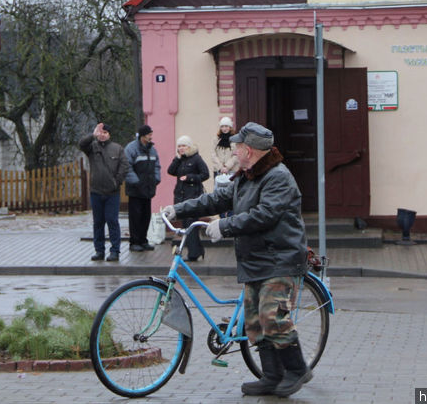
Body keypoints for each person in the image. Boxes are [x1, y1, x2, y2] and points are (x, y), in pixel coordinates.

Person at [163, 122, 311, 397]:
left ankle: (297, 369)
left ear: (249, 150)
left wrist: (225, 226)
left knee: (272, 317)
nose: (234, 150)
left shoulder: (277, 177)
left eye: (238, 146)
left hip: (279, 257)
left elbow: (265, 214)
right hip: (256, 258)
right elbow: (217, 199)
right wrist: (179, 209)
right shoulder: (247, 175)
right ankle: (271, 376)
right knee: (254, 322)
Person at [79, 123, 128, 262]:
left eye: (105, 132)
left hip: (112, 193)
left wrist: (116, 182)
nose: (102, 134)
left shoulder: (117, 149)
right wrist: (92, 135)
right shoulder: (92, 147)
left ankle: (115, 251)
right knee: (98, 223)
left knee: (112, 222)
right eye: (100, 132)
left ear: (109, 134)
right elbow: (81, 144)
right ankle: (99, 251)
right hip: (96, 191)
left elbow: (124, 167)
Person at [166, 135, 209, 261]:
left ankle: (193, 254)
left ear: (189, 146)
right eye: (179, 146)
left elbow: (205, 174)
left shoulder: (196, 158)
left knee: (191, 225)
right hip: (181, 196)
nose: (181, 148)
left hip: (193, 196)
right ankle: (197, 250)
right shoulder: (180, 160)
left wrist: (190, 177)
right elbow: (171, 171)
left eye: (184, 146)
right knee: (186, 225)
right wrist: (177, 158)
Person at [124, 124, 161, 252]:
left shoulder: (152, 149)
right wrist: (136, 182)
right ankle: (134, 242)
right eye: (149, 134)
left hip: (148, 188)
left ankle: (143, 240)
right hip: (135, 189)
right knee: (135, 217)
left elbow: (157, 165)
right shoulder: (131, 148)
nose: (151, 137)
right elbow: (126, 166)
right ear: (143, 136)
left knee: (146, 216)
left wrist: (156, 179)